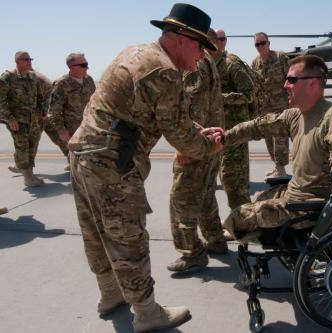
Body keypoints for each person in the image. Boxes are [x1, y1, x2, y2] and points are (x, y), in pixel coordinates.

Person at [67, 4, 223, 332]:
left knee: (96, 232)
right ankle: (147, 313)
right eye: (200, 47)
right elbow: (185, 139)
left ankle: (110, 295)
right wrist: (210, 143)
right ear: (181, 38)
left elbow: (164, 116)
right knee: (128, 239)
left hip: (84, 155)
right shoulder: (165, 71)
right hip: (112, 165)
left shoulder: (138, 52)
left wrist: (196, 129)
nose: (202, 56)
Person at [222, 55, 332, 241]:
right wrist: (224, 136)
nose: (285, 85)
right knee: (260, 197)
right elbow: (257, 126)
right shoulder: (294, 115)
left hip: (310, 204)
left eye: (291, 80)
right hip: (295, 193)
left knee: (239, 216)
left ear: (312, 84)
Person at [168, 45, 227, 272]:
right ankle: (215, 239)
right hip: (211, 140)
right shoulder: (207, 60)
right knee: (205, 193)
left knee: (181, 198)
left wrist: (187, 146)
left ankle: (192, 253)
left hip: (198, 142)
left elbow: (195, 107)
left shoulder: (195, 63)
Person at [209, 28, 254, 210]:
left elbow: (249, 94)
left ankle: (244, 225)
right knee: (223, 177)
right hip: (217, 130)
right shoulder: (208, 64)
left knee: (234, 181)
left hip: (235, 130)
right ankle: (240, 222)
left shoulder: (231, 64)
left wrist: (220, 97)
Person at [0, 51, 48, 187]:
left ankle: (29, 173)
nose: (29, 62)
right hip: (17, 120)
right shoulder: (7, 77)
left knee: (32, 146)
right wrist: (9, 118)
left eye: (30, 59)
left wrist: (43, 111)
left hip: (34, 119)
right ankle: (28, 177)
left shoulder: (32, 77)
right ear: (17, 61)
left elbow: (40, 97)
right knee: (22, 147)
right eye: (26, 59)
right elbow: (1, 100)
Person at [48, 52, 96, 170]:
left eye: (87, 64)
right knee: (77, 156)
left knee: (91, 154)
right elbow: (54, 111)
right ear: (71, 67)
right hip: (72, 128)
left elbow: (95, 101)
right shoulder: (61, 84)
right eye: (83, 65)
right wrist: (61, 130)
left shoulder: (88, 80)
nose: (87, 68)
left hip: (89, 125)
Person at [251, 32, 290, 177]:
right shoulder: (255, 63)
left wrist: (293, 101)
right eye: (257, 44)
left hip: (281, 106)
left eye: (263, 43)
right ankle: (276, 166)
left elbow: (291, 80)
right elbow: (254, 85)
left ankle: (281, 169)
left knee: (280, 137)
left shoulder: (280, 58)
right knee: (268, 138)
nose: (260, 46)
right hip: (264, 109)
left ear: (269, 43)